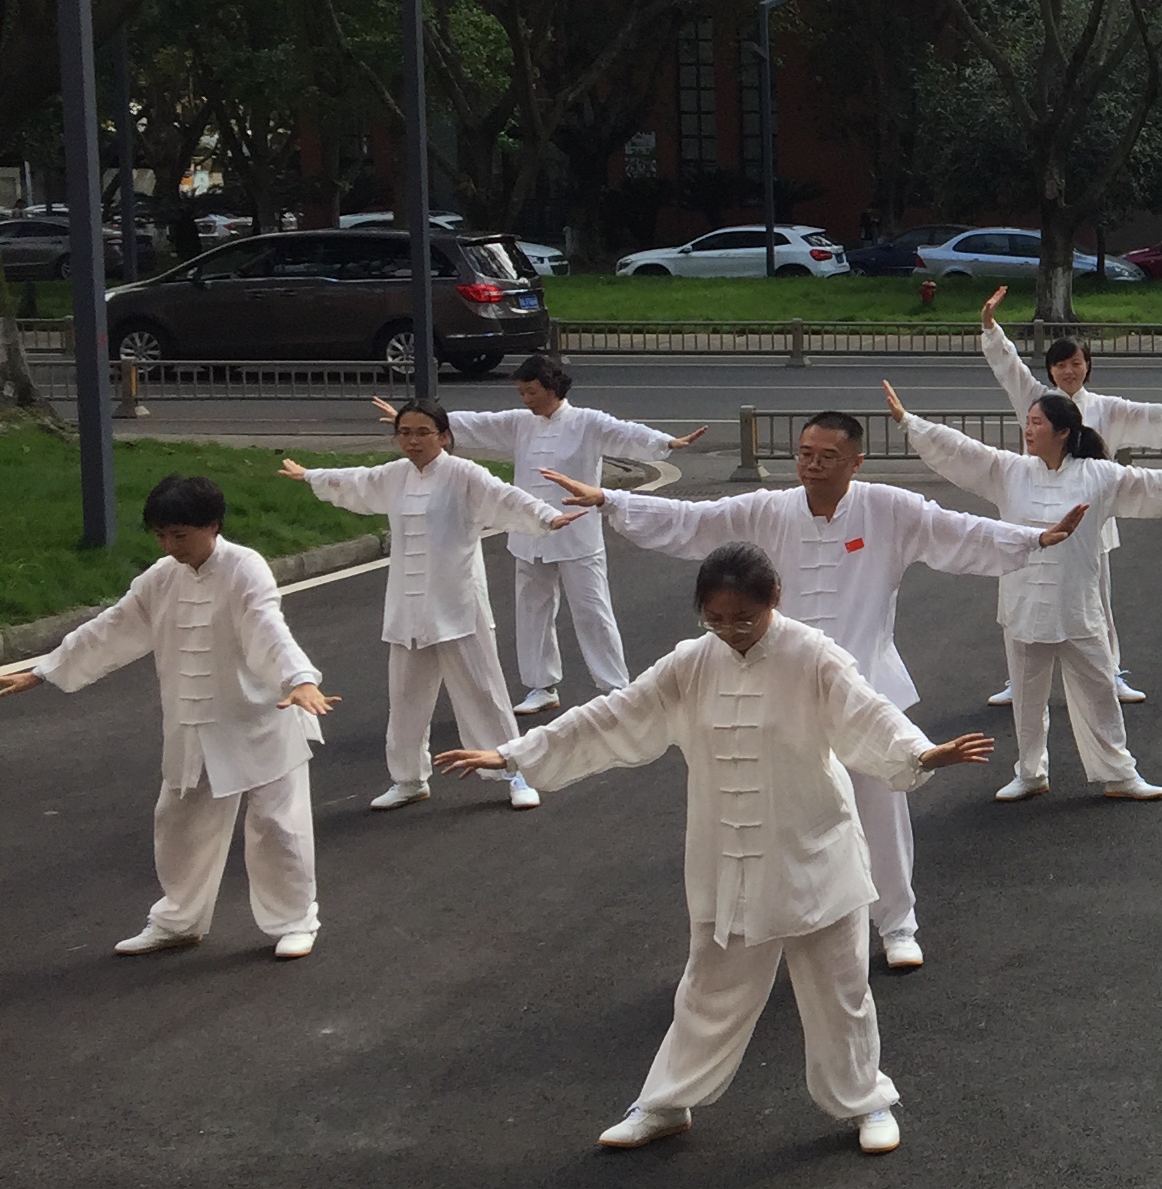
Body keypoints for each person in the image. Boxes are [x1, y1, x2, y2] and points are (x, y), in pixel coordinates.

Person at [439, 544, 995, 1155]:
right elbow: (613, 716)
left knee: (840, 992)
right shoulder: (690, 664)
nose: (730, 630)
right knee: (709, 989)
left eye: (744, 618)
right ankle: (666, 1102)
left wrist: (919, 753)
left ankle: (866, 1100)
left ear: (774, 599)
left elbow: (869, 714)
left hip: (814, 851)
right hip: (728, 858)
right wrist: (514, 754)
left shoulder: (813, 656)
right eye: (716, 618)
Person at [542, 410, 1087, 970]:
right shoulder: (769, 509)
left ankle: (897, 924)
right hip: (785, 691)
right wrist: (612, 501)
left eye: (828, 457)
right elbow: (696, 520)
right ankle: (783, 922)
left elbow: (957, 530)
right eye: (805, 454)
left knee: (880, 810)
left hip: (865, 687)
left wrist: (1033, 539)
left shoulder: (888, 508)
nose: (813, 465)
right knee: (783, 811)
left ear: (856, 462)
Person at [0, 475, 336, 960]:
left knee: (277, 826)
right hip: (192, 723)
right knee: (179, 824)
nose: (169, 546)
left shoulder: (245, 568)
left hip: (261, 719)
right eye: (160, 535)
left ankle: (295, 920)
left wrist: (299, 679)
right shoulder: (161, 577)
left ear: (213, 526)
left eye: (179, 535)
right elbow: (113, 625)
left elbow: (267, 627)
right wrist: (44, 669)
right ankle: (180, 919)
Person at [887, 382, 1162, 801]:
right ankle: (1030, 772)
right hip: (1023, 605)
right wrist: (910, 423)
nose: (1028, 429)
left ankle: (1119, 773)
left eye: (1037, 423)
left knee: (1099, 694)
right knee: (1027, 699)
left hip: (1077, 605)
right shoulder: (1009, 471)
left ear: (1062, 432)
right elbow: (963, 451)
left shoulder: (1099, 475)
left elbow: (1149, 484)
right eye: (1028, 421)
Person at [285, 405, 582, 810]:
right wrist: (311, 476)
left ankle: (513, 771)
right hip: (408, 608)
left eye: (422, 432)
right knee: (406, 698)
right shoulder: (394, 475)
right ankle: (408, 778)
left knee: (483, 692)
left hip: (457, 603)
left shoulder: (464, 474)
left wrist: (547, 516)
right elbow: (357, 481)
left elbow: (505, 497)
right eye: (405, 432)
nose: (412, 441)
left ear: (443, 436)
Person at [405, 356, 705, 715]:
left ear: (551, 387)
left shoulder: (587, 422)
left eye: (531, 391)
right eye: (521, 392)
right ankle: (541, 685)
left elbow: (625, 432)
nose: (525, 399)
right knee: (532, 610)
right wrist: (424, 422)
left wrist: (666, 443)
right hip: (529, 534)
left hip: (577, 535)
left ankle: (615, 687)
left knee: (592, 611)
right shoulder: (520, 423)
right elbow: (477, 423)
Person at [977, 290, 1162, 707]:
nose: (1069, 371)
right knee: (1023, 593)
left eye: (1076, 363)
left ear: (1088, 366)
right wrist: (990, 326)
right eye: (1061, 364)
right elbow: (1009, 366)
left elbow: (1147, 414)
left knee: (1096, 600)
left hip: (1088, 519)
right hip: (1034, 516)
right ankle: (1019, 678)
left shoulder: (1106, 408)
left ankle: (1110, 672)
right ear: (1050, 369)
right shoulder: (1035, 399)